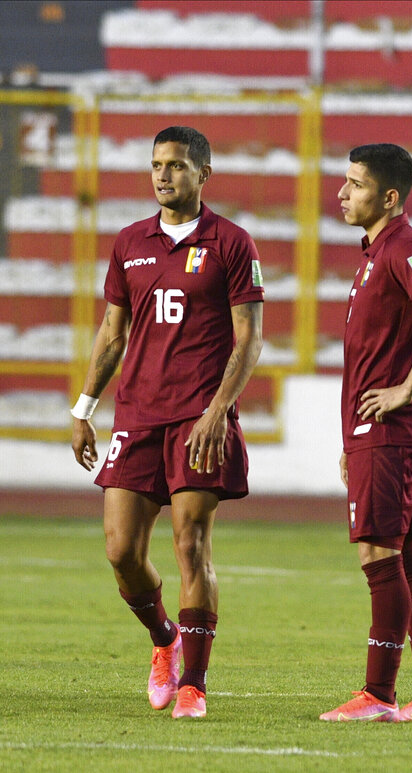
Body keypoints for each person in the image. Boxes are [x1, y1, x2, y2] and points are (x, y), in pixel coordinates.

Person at [71, 126, 265, 719]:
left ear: (203, 174)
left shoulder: (233, 243)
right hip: (137, 411)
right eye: (157, 165)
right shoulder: (129, 241)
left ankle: (194, 685)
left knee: (190, 543)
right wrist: (84, 407)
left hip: (197, 417)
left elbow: (249, 339)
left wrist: (217, 411)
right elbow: (112, 332)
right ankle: (165, 641)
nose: (163, 176)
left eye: (177, 166)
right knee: (121, 550)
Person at [319, 143, 412, 723]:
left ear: (389, 197)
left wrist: (404, 388)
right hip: (382, 433)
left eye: (353, 184)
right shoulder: (376, 251)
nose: (342, 193)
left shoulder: (402, 246)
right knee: (404, 558)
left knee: (382, 558)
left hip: (392, 428)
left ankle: (379, 695)